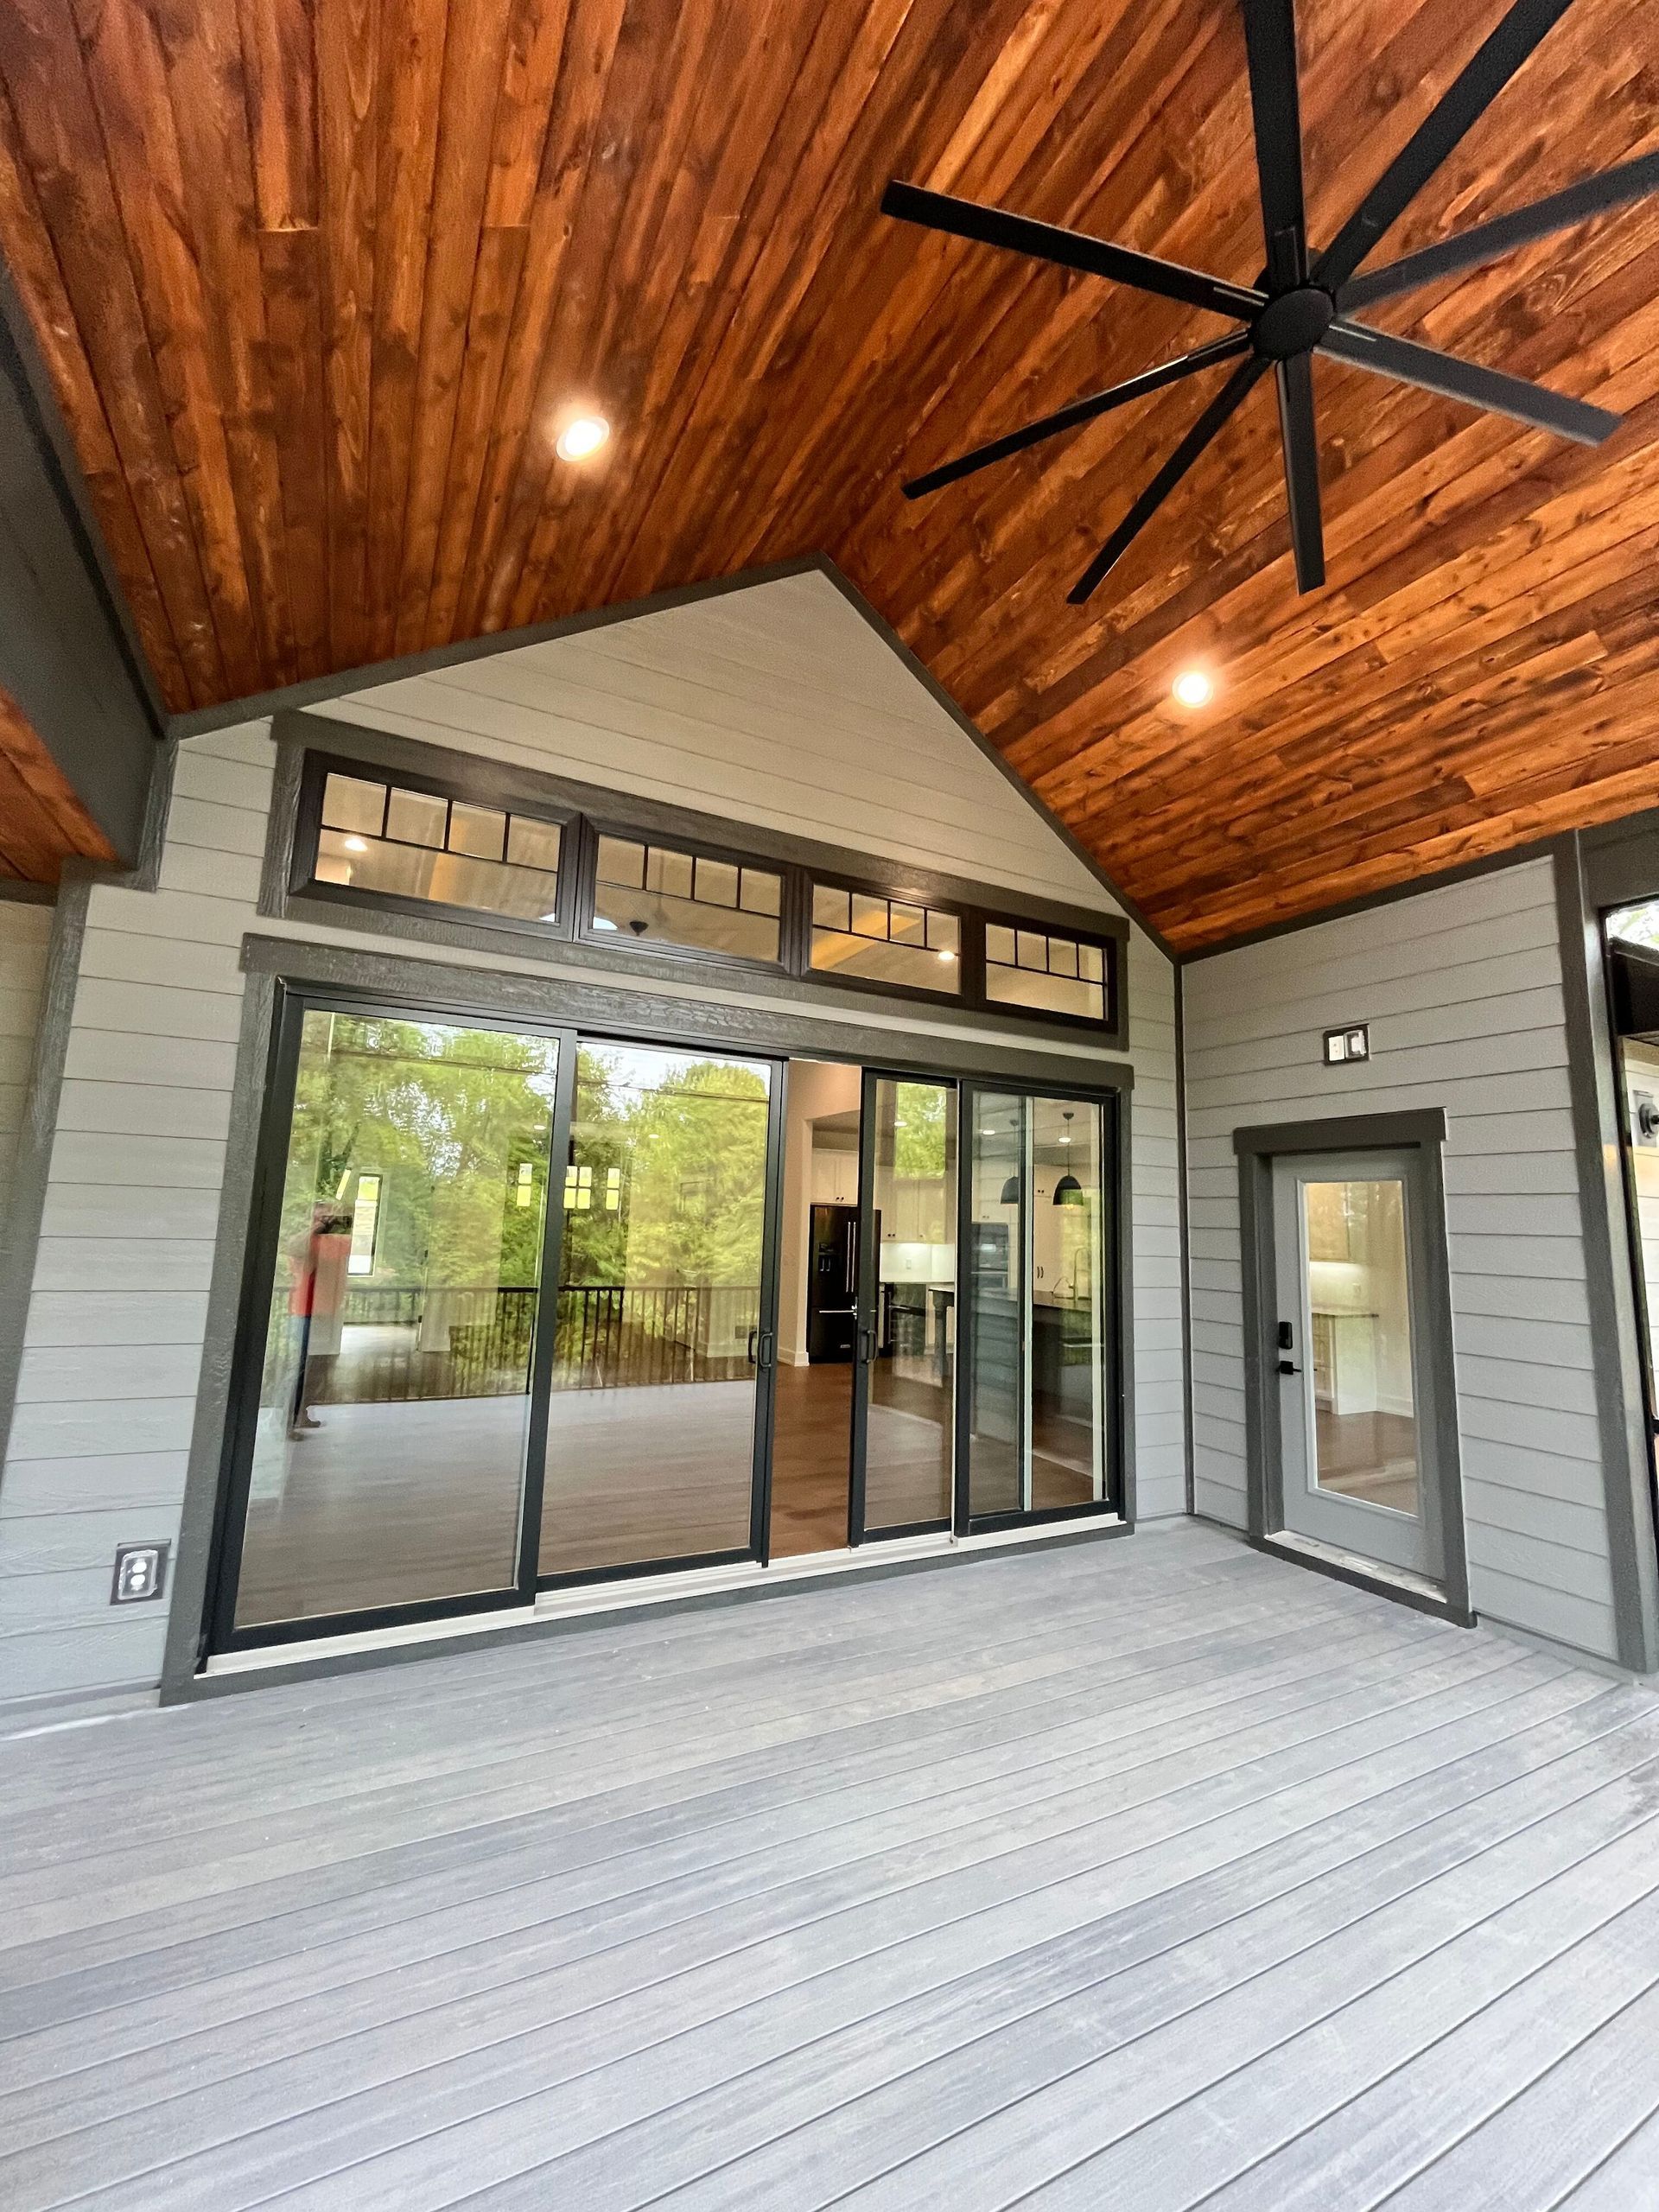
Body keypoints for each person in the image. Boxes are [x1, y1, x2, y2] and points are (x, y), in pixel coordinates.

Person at [287, 1201, 353, 1437]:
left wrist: (342, 1223)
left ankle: (301, 1414)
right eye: (319, 1216)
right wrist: (316, 1228)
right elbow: (293, 1247)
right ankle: (287, 1420)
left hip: (326, 1313)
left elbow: (359, 1247)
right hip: (303, 1312)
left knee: (317, 1368)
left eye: (327, 1217)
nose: (324, 1221)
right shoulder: (305, 1240)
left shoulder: (333, 1243)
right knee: (299, 1367)